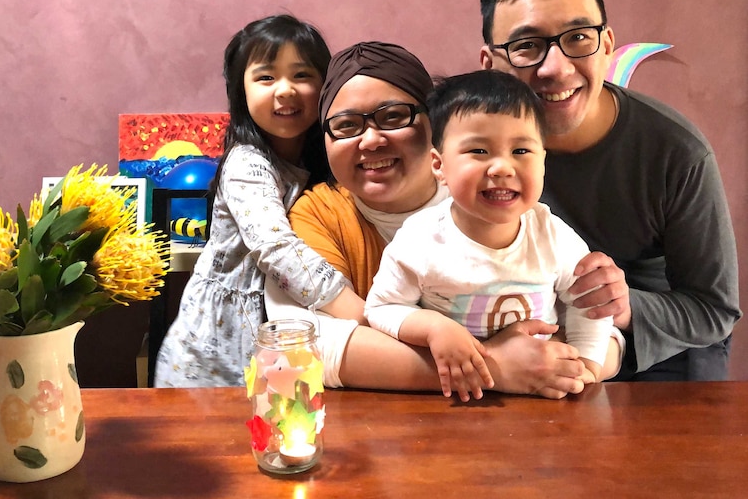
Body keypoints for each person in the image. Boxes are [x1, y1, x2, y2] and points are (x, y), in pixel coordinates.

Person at [266, 41, 622, 399]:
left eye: (393, 116)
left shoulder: (506, 206)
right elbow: (298, 346)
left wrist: (582, 365)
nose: (371, 140)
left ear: (432, 126)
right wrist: (495, 367)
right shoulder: (319, 217)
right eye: (345, 125)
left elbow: (596, 323)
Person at [479, 0, 741, 380]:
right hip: (520, 350)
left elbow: (714, 311)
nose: (556, 68)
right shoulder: (463, 148)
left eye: (578, 37)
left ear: (606, 44)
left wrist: (624, 303)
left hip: (653, 359)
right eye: (526, 47)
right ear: (490, 63)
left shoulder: (675, 151)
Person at [364, 70, 613, 400]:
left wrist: (587, 363)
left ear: (543, 161)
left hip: (543, 398)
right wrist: (434, 328)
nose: (502, 168)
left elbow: (589, 303)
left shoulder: (553, 236)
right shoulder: (421, 240)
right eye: (479, 151)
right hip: (455, 401)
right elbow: (381, 309)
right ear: (439, 166)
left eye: (521, 151)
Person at [154, 14, 348, 387]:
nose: (285, 90)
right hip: (212, 356)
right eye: (266, 77)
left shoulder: (322, 164)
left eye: (302, 75)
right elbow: (276, 247)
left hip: (283, 345)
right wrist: (355, 310)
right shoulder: (247, 161)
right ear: (241, 91)